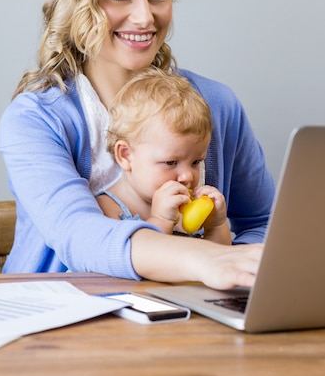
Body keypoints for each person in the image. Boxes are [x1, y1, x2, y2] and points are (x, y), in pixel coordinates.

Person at [0, 0, 275, 290]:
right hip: (52, 324)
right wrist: (209, 261)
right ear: (81, 0)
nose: (145, 17)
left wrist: (234, 264)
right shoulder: (35, 119)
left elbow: (262, 222)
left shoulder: (216, 105)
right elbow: (79, 234)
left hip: (184, 322)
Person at [99, 66, 232, 245]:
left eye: (195, 162)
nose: (187, 176)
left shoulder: (186, 207)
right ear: (126, 155)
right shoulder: (108, 210)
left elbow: (219, 261)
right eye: (171, 162)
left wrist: (216, 226)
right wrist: (161, 220)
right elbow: (133, 263)